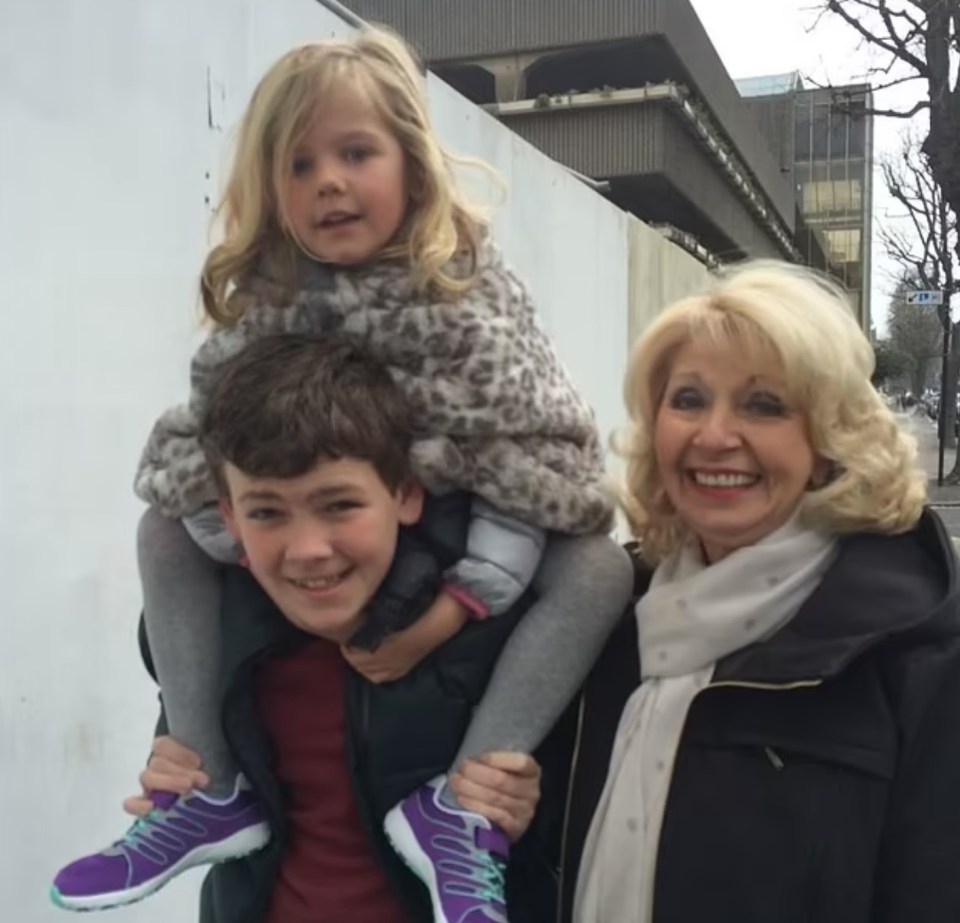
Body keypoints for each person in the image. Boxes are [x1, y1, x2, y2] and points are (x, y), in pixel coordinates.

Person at [50, 26, 632, 921]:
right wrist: (250, 559)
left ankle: (462, 809)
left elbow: (542, 467)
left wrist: (447, 613)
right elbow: (195, 459)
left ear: (413, 166)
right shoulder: (265, 311)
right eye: (299, 164)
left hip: (463, 553)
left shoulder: (473, 304)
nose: (328, 180)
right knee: (160, 525)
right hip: (323, 612)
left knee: (596, 565)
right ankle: (209, 790)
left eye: (356, 152)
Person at [60, 334, 550, 923]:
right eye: (267, 512)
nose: (309, 550)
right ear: (229, 518)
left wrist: (522, 799)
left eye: (339, 505)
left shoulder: (497, 631)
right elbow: (191, 737)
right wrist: (180, 770)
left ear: (406, 494)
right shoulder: (219, 627)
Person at [537, 259, 960, 923]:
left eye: (763, 404)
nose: (714, 435)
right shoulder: (608, 615)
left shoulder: (915, 653)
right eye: (689, 399)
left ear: (828, 440)